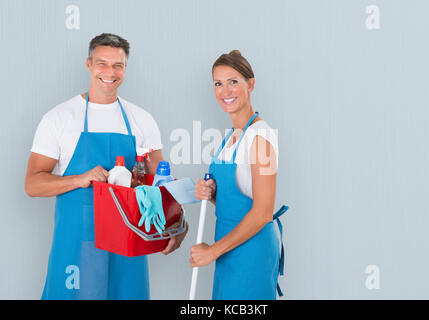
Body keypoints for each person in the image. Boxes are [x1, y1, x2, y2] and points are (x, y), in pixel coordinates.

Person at [25, 33, 188, 300]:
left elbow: (161, 182)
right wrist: (80, 179)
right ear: (88, 65)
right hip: (77, 245)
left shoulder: (141, 120)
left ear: (125, 69)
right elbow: (32, 183)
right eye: (102, 63)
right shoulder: (59, 118)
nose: (109, 73)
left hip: (128, 244)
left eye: (118, 65)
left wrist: (178, 224)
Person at [190, 50, 288, 300]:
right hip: (230, 249)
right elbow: (238, 199)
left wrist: (212, 252)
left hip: (251, 251)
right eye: (218, 83)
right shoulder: (231, 138)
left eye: (233, 81)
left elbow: (263, 211)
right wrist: (212, 195)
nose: (225, 91)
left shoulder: (260, 137)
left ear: (250, 84)